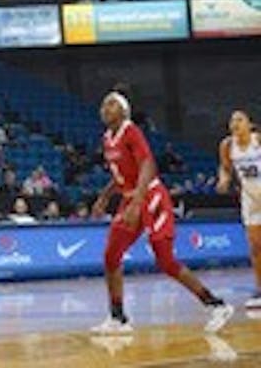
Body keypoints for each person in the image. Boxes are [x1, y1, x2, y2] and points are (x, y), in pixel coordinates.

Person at [90, 91, 233, 334]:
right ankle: (118, 317)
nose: (106, 107)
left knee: (165, 262)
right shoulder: (107, 138)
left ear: (124, 111)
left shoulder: (131, 130)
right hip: (130, 199)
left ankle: (216, 305)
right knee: (111, 255)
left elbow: (148, 164)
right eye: (104, 104)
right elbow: (120, 175)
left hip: (152, 197)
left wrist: (137, 201)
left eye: (112, 104)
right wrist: (104, 197)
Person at [217, 110, 261, 309]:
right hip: (251, 199)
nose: (235, 123)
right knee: (255, 247)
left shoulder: (257, 141)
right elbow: (226, 168)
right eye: (232, 120)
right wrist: (224, 179)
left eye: (240, 119)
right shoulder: (227, 146)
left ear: (249, 124)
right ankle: (260, 289)